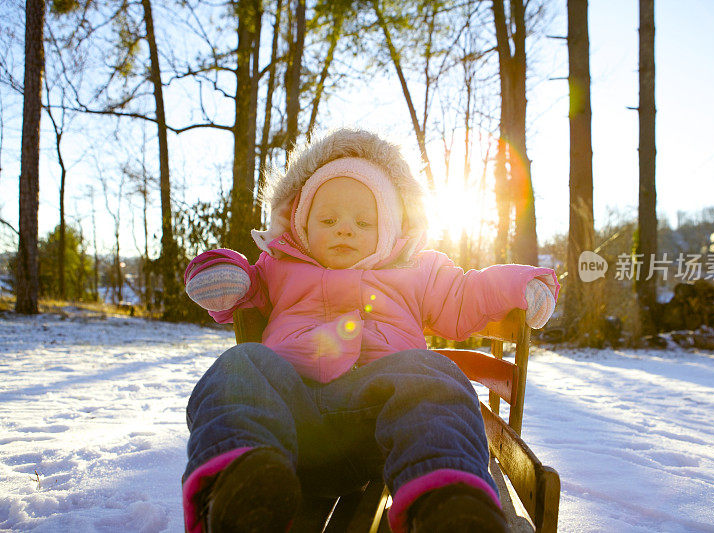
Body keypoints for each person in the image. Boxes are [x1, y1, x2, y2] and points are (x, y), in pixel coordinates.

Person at [181, 128, 559, 533]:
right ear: (302, 223)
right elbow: (246, 288)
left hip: (385, 432)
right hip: (292, 422)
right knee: (241, 364)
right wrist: (225, 275)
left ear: (392, 227)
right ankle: (241, 485)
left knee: (431, 373)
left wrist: (523, 285)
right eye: (328, 219)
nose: (345, 229)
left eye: (364, 221)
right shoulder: (280, 266)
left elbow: (467, 294)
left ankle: (448, 501)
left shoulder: (417, 270)